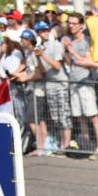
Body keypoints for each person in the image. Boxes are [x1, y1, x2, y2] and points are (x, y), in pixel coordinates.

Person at [63, 12, 98, 154]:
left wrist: (70, 50)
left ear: (81, 26)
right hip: (74, 82)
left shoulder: (86, 41)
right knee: (79, 117)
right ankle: (86, 145)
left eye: (74, 23)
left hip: (85, 82)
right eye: (70, 23)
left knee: (92, 115)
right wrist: (66, 52)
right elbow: (70, 63)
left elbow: (86, 62)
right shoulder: (70, 41)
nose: (71, 25)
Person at [34, 21, 74, 153]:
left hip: (60, 84)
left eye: (46, 30)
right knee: (56, 117)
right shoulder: (40, 47)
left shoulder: (56, 45)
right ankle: (61, 144)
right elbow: (42, 71)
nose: (44, 33)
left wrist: (43, 55)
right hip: (49, 85)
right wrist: (39, 57)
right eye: (41, 31)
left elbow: (57, 66)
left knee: (64, 116)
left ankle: (66, 144)